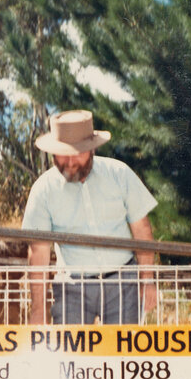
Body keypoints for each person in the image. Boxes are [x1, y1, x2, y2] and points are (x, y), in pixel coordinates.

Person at [22, 110, 158, 325]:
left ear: (92, 148)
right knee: (68, 353)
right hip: (71, 287)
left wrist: (147, 280)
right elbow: (39, 251)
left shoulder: (119, 173)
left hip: (123, 283)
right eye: (62, 154)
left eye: (78, 152)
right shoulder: (43, 190)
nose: (70, 161)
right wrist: (38, 310)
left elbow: (142, 230)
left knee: (122, 354)